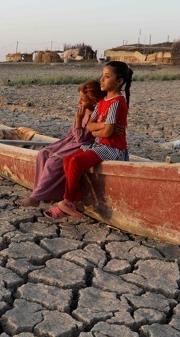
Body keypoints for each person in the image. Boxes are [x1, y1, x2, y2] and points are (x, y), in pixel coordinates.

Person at [47, 60, 133, 219]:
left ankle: (67, 201)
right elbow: (90, 127)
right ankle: (76, 200)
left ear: (119, 81)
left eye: (107, 77)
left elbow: (107, 134)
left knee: (76, 162)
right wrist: (102, 128)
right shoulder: (102, 102)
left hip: (113, 149)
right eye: (102, 76)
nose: (102, 80)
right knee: (67, 160)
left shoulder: (117, 102)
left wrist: (101, 130)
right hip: (101, 146)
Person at [16, 80, 103, 207]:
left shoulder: (94, 117)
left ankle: (36, 198)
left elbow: (80, 139)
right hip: (70, 141)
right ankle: (41, 193)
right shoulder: (82, 113)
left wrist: (78, 120)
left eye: (82, 100)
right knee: (42, 154)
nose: (79, 103)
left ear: (94, 101)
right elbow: (71, 134)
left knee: (54, 161)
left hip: (82, 145)